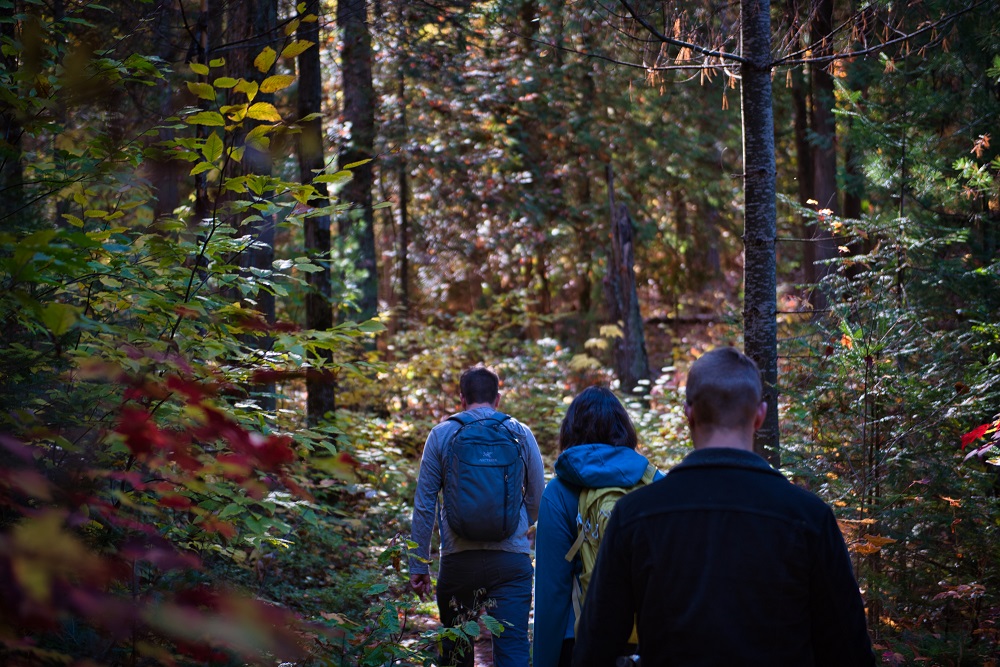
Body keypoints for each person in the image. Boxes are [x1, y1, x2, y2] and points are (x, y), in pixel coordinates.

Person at [572, 347, 876, 667]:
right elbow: (848, 650)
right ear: (759, 414)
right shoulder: (808, 518)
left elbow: (595, 648)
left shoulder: (635, 515)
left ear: (688, 413)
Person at [409, 365, 545, 667]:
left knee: (456, 653)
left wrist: (418, 563)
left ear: (462, 398)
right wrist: (517, 526)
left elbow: (425, 503)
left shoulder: (441, 434)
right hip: (512, 562)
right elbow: (538, 497)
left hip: (458, 562)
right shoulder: (520, 433)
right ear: (498, 399)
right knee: (513, 651)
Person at [534, 386, 663, 667]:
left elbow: (551, 592)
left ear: (570, 430)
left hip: (582, 641)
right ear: (624, 428)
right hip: (652, 637)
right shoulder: (655, 482)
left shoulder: (559, 492)